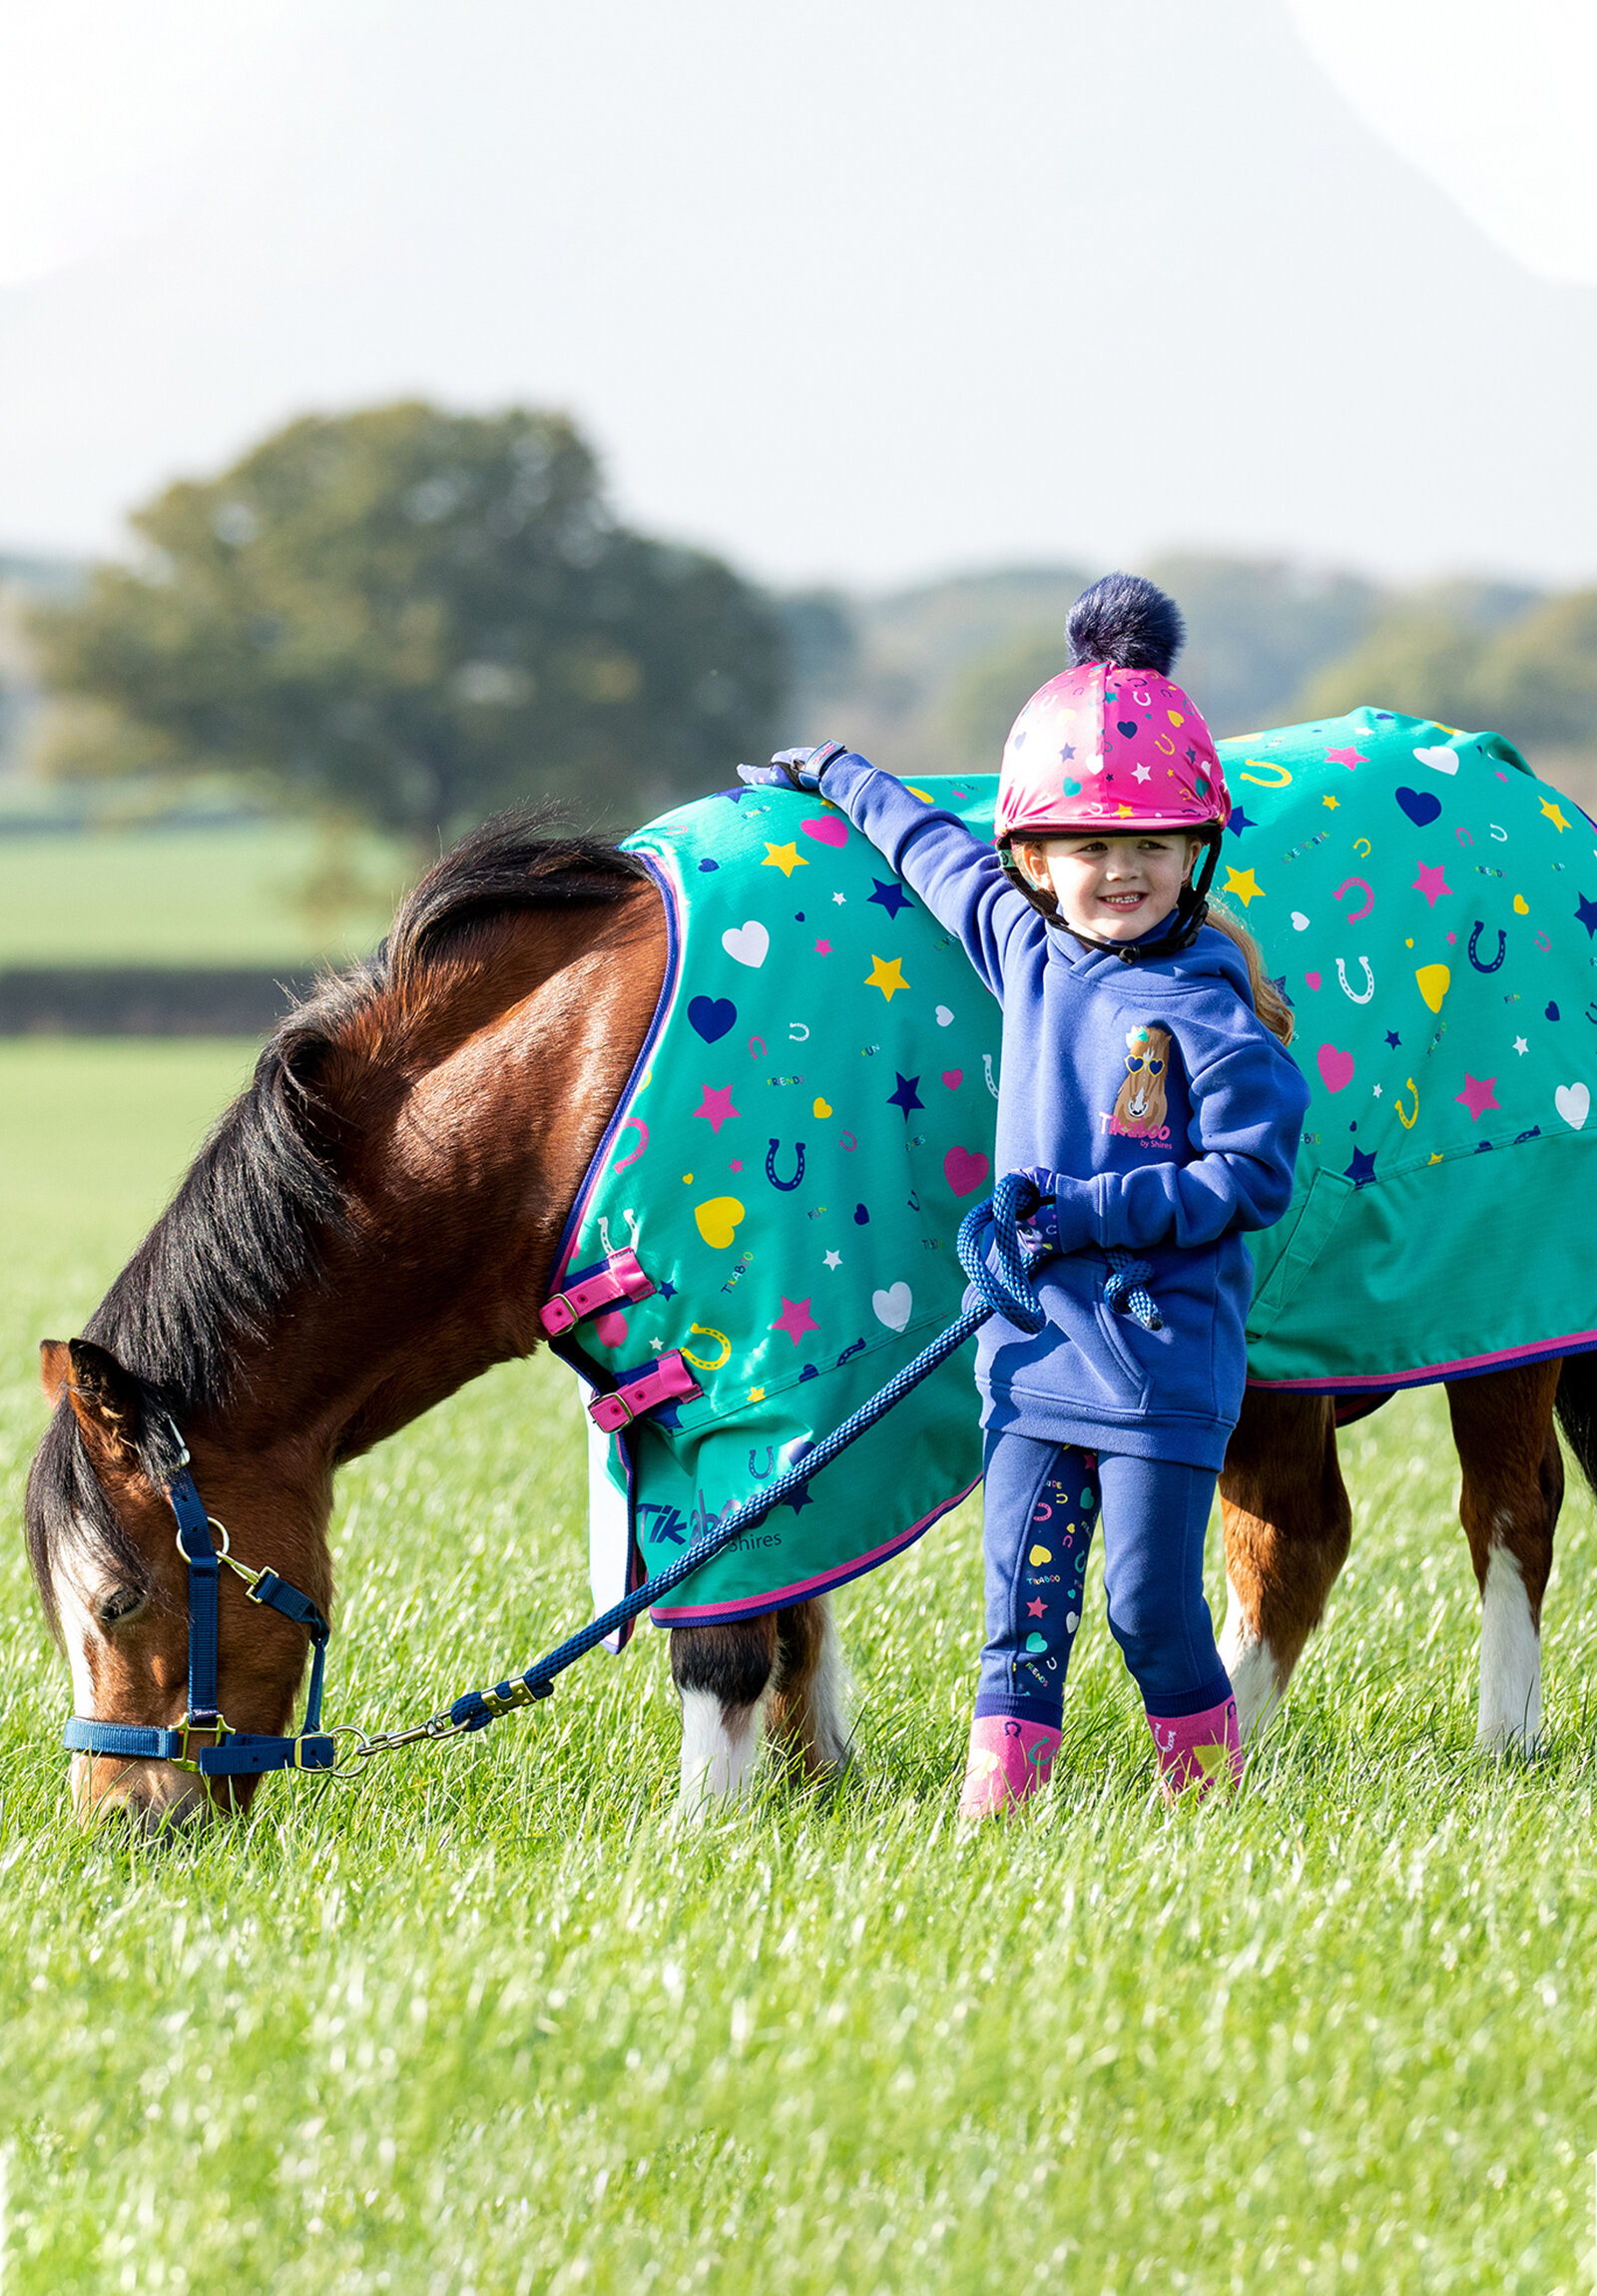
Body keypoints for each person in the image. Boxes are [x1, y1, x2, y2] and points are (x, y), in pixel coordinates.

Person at [740, 574, 1309, 1815]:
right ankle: (995, 1825)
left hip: (1160, 1374)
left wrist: (1084, 1211)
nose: (1118, 870)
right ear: (1037, 860)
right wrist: (841, 774)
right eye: (1089, 845)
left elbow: (1248, 1178)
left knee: (1147, 1606)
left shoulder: (1215, 1014)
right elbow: (932, 852)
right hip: (1033, 1360)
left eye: (1148, 845)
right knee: (1019, 1611)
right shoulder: (1027, 949)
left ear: (1192, 853)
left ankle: (1212, 1813)